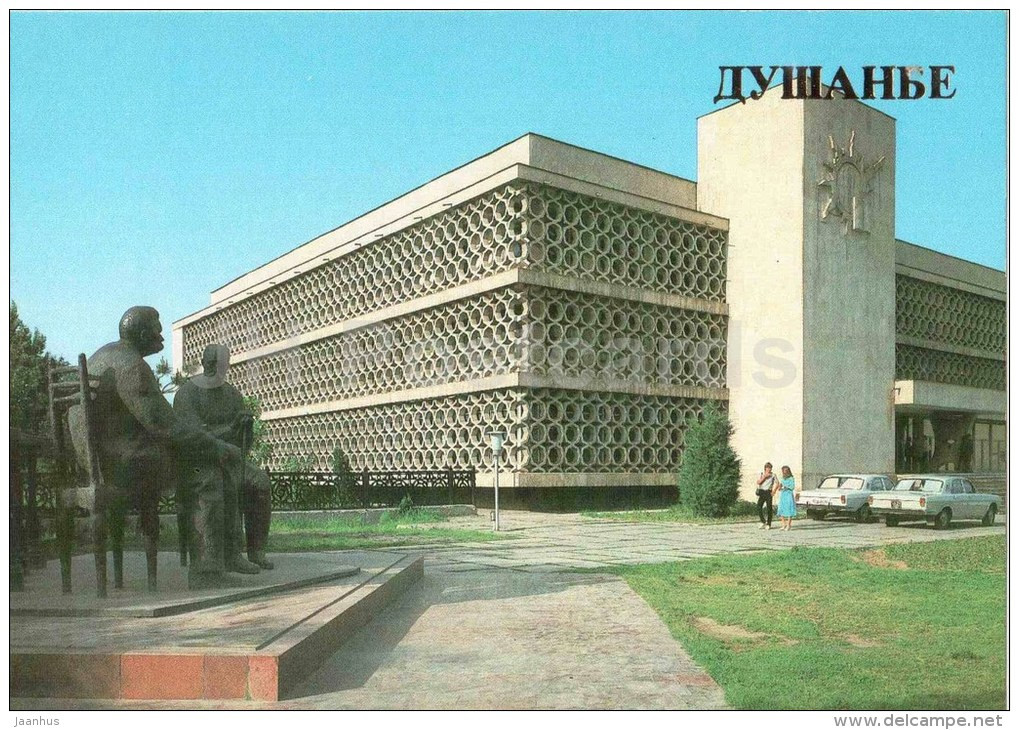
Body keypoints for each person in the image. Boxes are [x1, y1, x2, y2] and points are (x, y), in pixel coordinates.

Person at [69, 306, 245, 589]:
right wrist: (217, 446)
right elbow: (166, 425)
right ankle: (206, 573)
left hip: (99, 464)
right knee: (205, 471)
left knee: (200, 458)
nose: (161, 334)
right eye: (157, 328)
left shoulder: (100, 357)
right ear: (141, 334)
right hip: (124, 468)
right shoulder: (132, 366)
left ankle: (223, 558)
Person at [174, 343, 274, 573]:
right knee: (225, 483)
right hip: (198, 462)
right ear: (204, 363)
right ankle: (230, 555)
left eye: (220, 365)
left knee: (260, 482)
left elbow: (242, 446)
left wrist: (245, 428)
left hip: (230, 459)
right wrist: (230, 429)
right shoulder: (187, 393)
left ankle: (256, 551)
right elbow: (194, 436)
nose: (216, 369)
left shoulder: (232, 395)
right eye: (211, 364)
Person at [774, 465, 797, 531]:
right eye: (783, 471)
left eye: (785, 471)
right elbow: (780, 485)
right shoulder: (782, 478)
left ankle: (788, 525)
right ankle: (783, 524)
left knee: (789, 509)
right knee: (781, 508)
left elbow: (792, 487)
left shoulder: (791, 478)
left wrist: (786, 487)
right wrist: (779, 487)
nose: (784, 473)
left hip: (788, 495)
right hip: (783, 495)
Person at [755, 462, 776, 530]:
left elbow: (777, 483)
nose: (769, 469)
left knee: (769, 508)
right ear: (765, 468)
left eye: (770, 468)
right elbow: (758, 482)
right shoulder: (762, 474)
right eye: (767, 468)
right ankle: (763, 521)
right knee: (759, 506)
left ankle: (769, 523)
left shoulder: (773, 475)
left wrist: (774, 491)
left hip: (768, 492)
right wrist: (764, 477)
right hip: (762, 491)